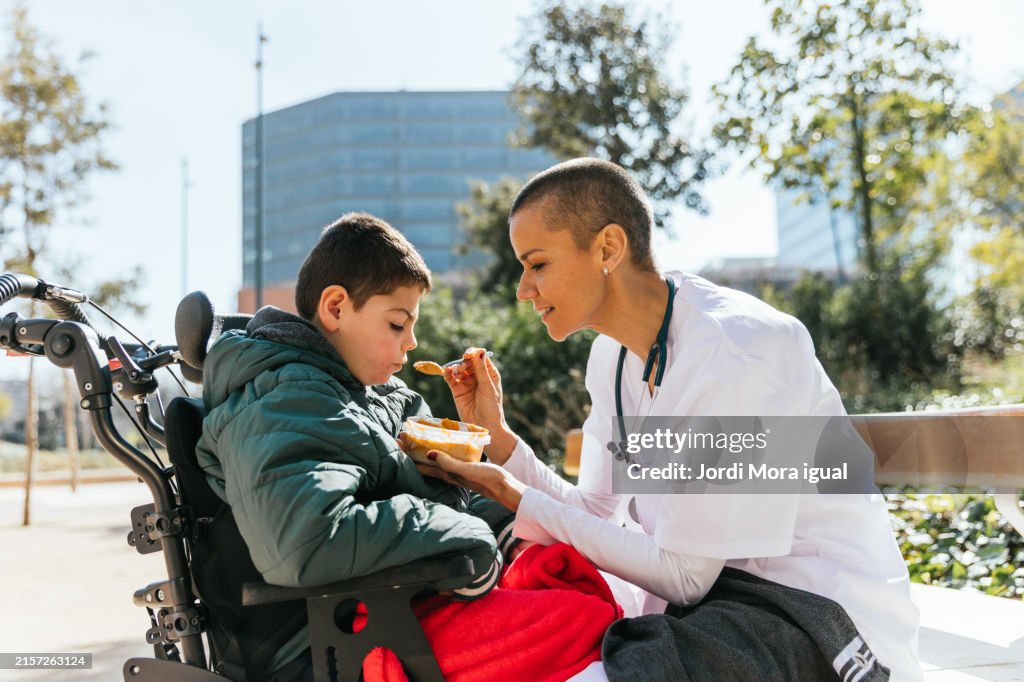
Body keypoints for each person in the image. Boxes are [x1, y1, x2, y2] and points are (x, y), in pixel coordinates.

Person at [418, 158, 922, 681]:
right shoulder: (612, 358)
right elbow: (593, 508)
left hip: (815, 615)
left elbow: (685, 576)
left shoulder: (737, 351)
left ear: (608, 248)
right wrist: (500, 441)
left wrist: (517, 495)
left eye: (538, 264)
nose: (523, 289)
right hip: (717, 611)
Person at [195, 212, 618, 681]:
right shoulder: (285, 399)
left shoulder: (372, 394)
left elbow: (426, 491)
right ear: (335, 308)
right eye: (398, 324)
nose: (412, 343)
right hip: (336, 635)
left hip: (393, 602)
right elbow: (308, 541)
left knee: (574, 578)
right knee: (590, 628)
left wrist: (504, 524)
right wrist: (468, 536)